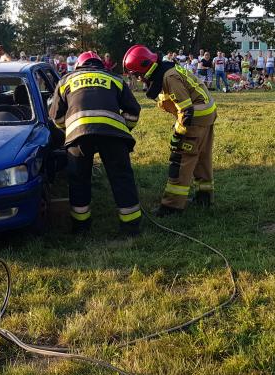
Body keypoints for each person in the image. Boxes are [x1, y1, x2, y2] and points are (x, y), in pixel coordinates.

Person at [49, 51, 143, 235]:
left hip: (79, 135)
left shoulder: (66, 80)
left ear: (78, 66)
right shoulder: (115, 79)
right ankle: (131, 227)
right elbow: (133, 111)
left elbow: (56, 117)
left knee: (79, 179)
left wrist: (69, 130)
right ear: (100, 64)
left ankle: (81, 227)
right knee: (121, 177)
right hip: (113, 136)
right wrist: (123, 129)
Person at [123, 44, 217, 215]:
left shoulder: (169, 77)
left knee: (180, 158)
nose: (138, 79)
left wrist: (178, 135)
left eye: (138, 74)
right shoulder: (168, 69)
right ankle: (204, 197)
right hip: (207, 114)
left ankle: (171, 206)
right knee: (202, 157)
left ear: (146, 68)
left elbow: (186, 111)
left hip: (195, 118)